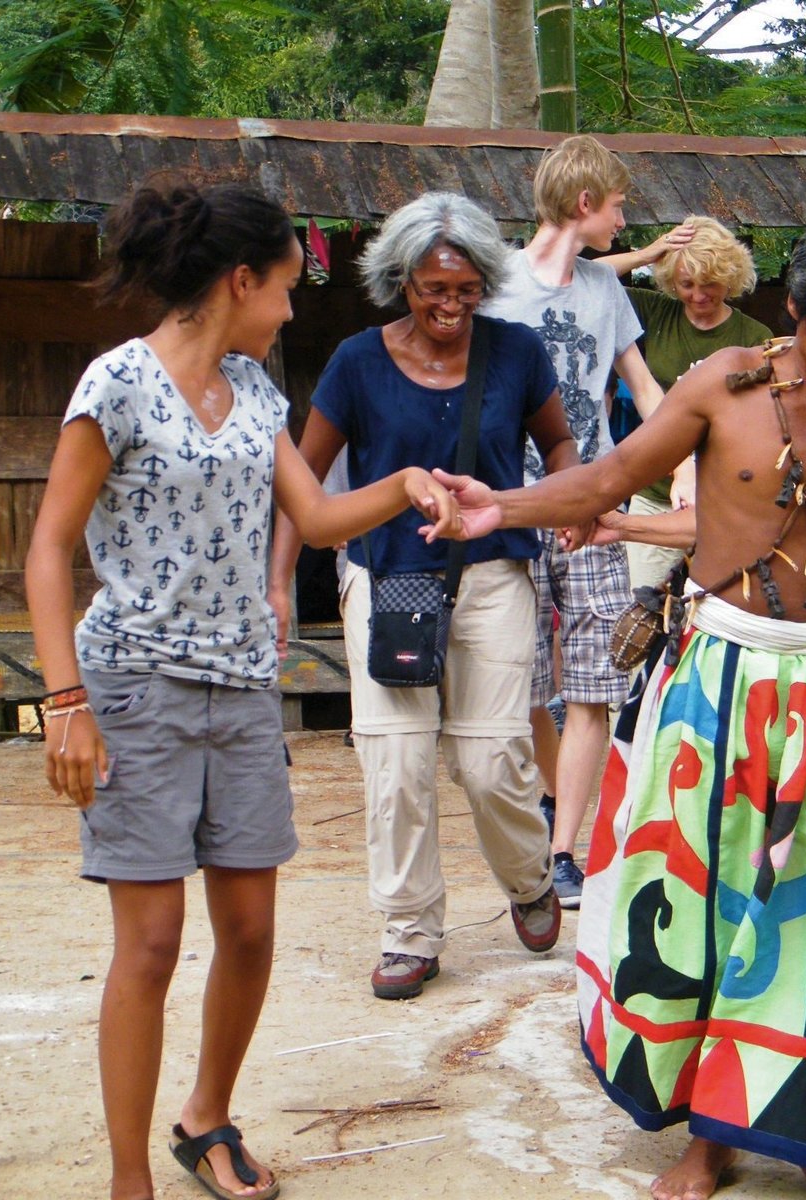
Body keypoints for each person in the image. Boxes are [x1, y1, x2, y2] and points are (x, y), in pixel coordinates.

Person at [434, 205, 806, 1200]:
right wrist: (499, 506)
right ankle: (709, 1139)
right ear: (797, 308)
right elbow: (615, 475)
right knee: (704, 907)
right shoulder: (721, 387)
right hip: (715, 679)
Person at [25, 179, 460, 1200]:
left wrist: (400, 488)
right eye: (286, 289)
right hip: (134, 688)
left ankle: (205, 1116)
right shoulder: (117, 385)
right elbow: (48, 551)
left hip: (244, 691)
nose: (292, 309)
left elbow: (310, 521)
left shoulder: (257, 391)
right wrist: (65, 704)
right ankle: (129, 1178)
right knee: (152, 943)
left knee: (253, 931)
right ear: (240, 280)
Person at [265, 192, 575, 1001]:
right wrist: (277, 584)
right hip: (385, 577)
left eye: (467, 290)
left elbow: (560, 444)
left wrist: (567, 500)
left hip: (493, 573)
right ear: (401, 280)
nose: (449, 305)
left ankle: (529, 877)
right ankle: (409, 931)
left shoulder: (516, 353)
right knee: (396, 765)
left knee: (491, 758)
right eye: (433, 289)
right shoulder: (357, 362)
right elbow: (303, 479)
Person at [479, 134, 672, 908]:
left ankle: (566, 852)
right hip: (508, 508)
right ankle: (549, 808)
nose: (625, 219)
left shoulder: (605, 289)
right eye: (619, 204)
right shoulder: (494, 284)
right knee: (519, 683)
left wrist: (685, 465)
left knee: (595, 682)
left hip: (593, 507)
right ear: (586, 203)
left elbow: (644, 388)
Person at [604, 214, 774, 591]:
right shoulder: (655, 312)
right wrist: (647, 254)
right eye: (686, 283)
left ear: (729, 277)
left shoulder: (754, 337)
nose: (698, 295)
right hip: (655, 497)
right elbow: (578, 275)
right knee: (641, 618)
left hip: (726, 504)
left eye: (710, 283)